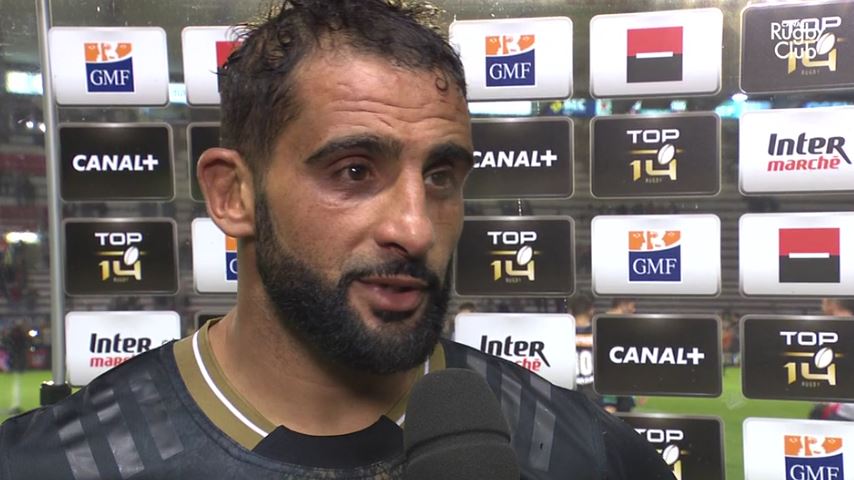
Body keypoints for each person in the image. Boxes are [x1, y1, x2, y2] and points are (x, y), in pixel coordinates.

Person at [0, 2, 672, 478]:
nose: (414, 228)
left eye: (440, 176)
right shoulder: (56, 463)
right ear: (233, 195)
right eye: (354, 171)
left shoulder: (587, 455)